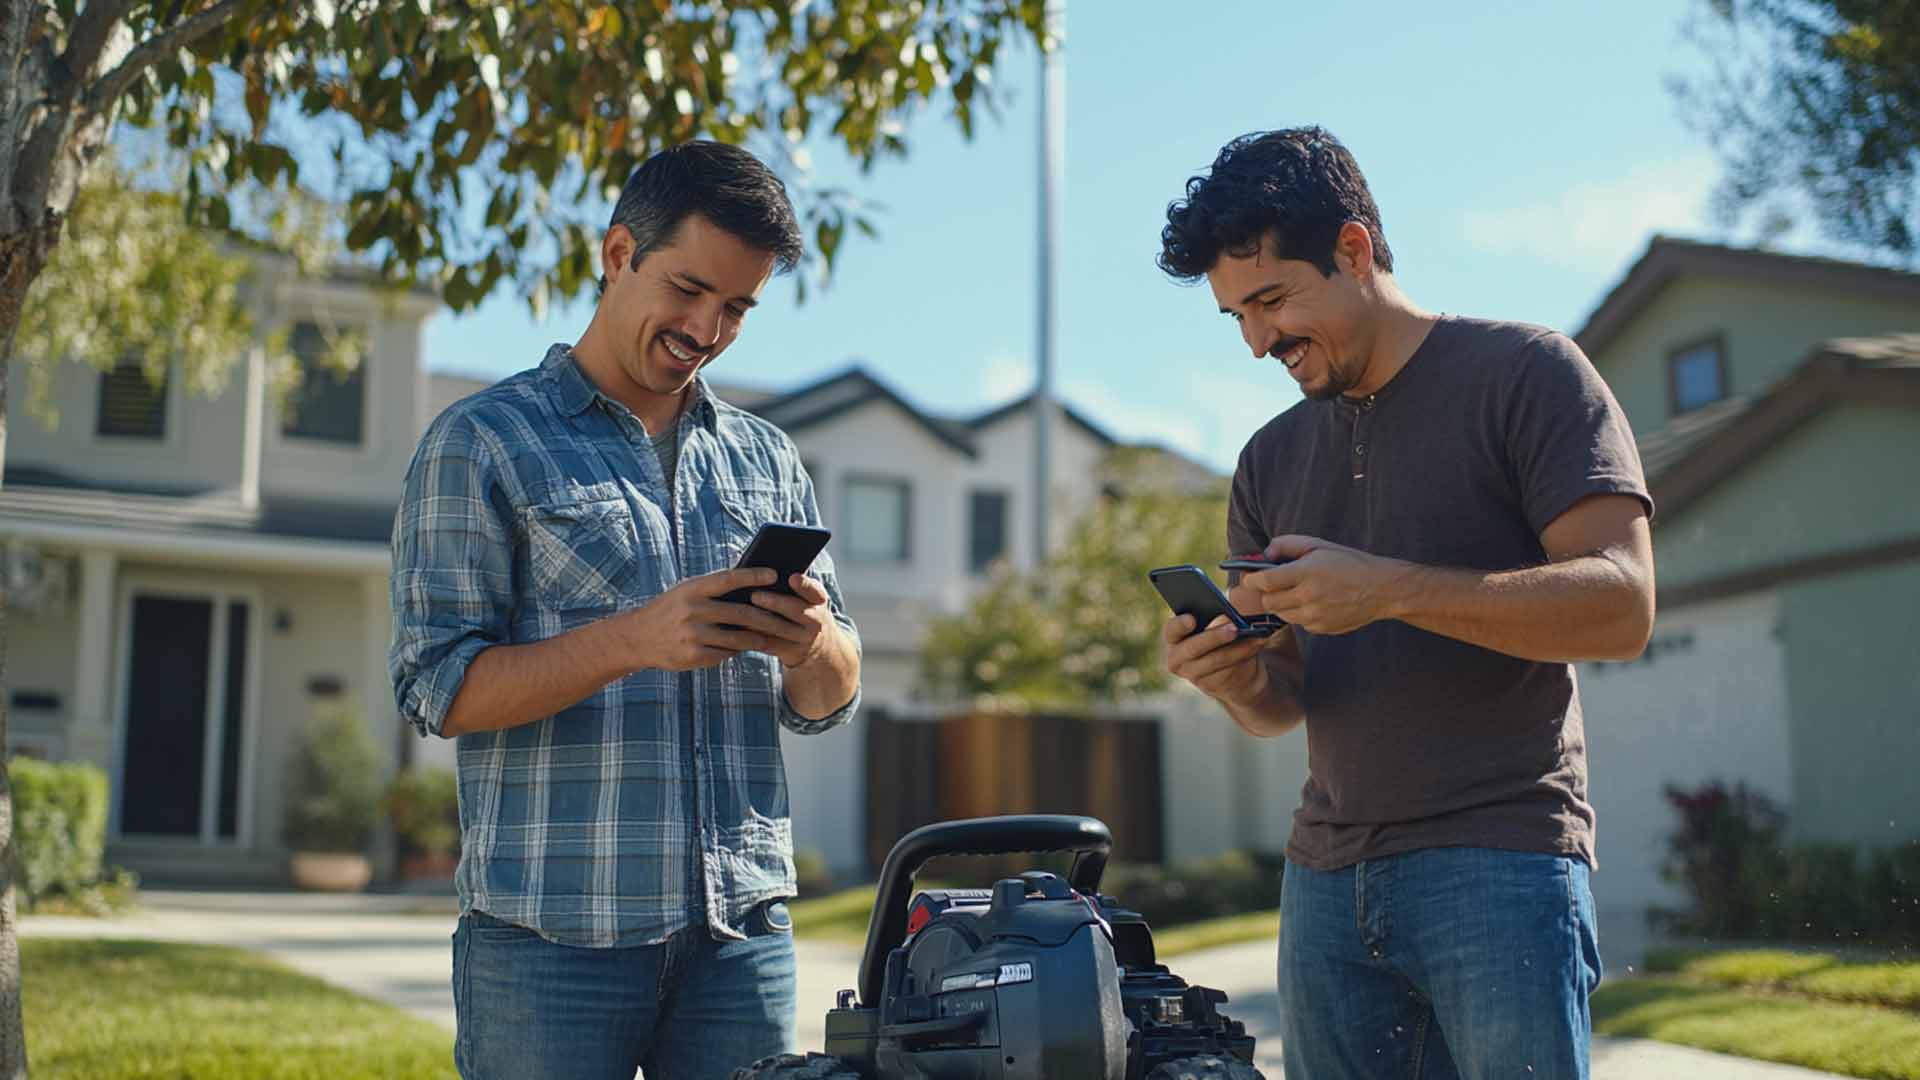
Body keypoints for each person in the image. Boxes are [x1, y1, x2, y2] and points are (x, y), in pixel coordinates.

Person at [1155, 127, 1655, 1080]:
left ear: (1354, 249)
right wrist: (1229, 675)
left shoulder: (1531, 374)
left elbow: (1622, 607)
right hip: (1322, 883)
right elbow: (1282, 705)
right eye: (1236, 319)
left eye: (1271, 300)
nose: (1259, 342)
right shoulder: (1267, 458)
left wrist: (1386, 590)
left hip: (1499, 860)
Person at [389, 140, 862, 1080]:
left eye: (736, 307)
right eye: (688, 289)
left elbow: (831, 697)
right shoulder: (482, 441)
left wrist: (811, 645)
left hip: (742, 940)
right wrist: (634, 640)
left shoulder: (767, 459)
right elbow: (435, 689)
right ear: (617, 255)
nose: (708, 327)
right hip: (548, 947)